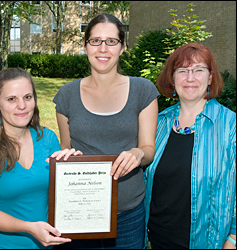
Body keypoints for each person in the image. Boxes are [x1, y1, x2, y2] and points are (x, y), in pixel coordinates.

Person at [52, 14, 159, 249]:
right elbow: (66, 151)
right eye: (95, 41)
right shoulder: (66, 96)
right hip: (80, 214)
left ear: (122, 47)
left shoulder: (143, 90)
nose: (103, 48)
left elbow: (148, 148)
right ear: (85, 46)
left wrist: (138, 154)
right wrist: (64, 158)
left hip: (128, 215)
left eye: (111, 41)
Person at [0, 68, 82, 249]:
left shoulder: (48, 138)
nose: (22, 105)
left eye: (27, 97)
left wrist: (74, 169)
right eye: (12, 99)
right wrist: (29, 228)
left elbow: (61, 196)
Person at [144, 43, 236, 249]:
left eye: (198, 70)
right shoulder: (158, 123)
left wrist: (233, 239)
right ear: (172, 77)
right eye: (182, 71)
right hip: (157, 240)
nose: (190, 77)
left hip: (209, 242)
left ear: (210, 77)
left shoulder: (231, 126)